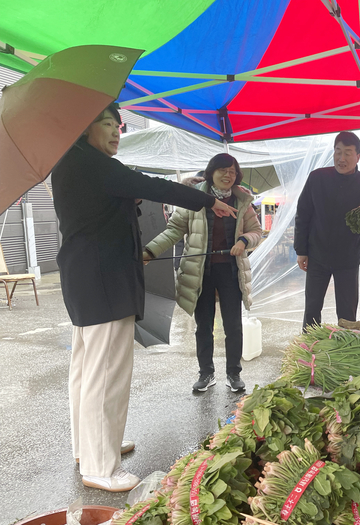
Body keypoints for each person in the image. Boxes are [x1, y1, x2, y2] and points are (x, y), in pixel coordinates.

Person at [52, 104, 236, 492]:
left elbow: (104, 208)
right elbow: (152, 185)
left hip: (86, 279)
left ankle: (89, 447)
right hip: (105, 282)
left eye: (119, 125)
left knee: (86, 370)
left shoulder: (72, 162)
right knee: (106, 373)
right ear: (85, 127)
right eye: (107, 124)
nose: (117, 132)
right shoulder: (93, 162)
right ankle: (101, 465)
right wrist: (206, 199)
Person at [143, 154, 263, 394]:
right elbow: (174, 230)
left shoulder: (242, 201)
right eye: (222, 170)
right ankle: (206, 373)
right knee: (203, 326)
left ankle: (233, 373)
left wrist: (243, 240)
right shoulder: (194, 198)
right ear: (211, 172)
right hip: (200, 271)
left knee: (233, 326)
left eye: (232, 171)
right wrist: (149, 251)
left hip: (231, 271)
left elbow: (256, 231)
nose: (227, 175)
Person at [294, 131, 360, 328]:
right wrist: (301, 250)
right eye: (338, 152)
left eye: (347, 153)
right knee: (312, 308)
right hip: (317, 255)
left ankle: (347, 345)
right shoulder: (317, 178)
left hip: (348, 259)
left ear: (358, 157)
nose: (341, 158)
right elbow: (303, 215)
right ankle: (309, 350)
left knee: (347, 312)